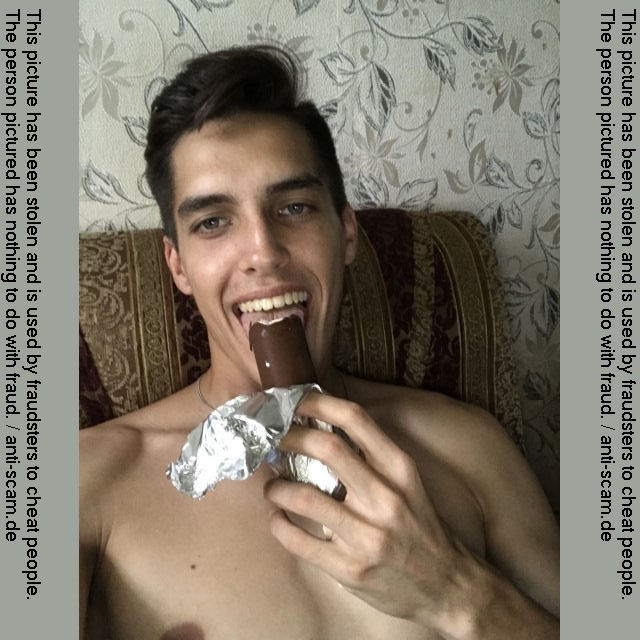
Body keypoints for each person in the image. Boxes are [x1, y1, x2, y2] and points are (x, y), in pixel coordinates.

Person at [80, 45, 559, 639]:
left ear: (347, 232)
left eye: (295, 207)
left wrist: (457, 593)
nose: (263, 252)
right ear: (178, 265)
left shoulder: (471, 448)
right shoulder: (87, 484)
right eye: (213, 221)